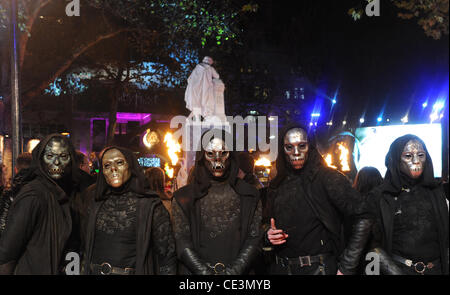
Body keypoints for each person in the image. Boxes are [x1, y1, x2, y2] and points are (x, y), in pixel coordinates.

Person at [265, 124, 373, 275]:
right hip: (281, 267)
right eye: (289, 147)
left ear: (310, 146)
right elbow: (263, 225)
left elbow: (365, 215)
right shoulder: (278, 182)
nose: (296, 153)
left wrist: (347, 266)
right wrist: (269, 234)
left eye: (302, 146)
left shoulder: (327, 178)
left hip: (319, 269)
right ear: (282, 150)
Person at [171, 129, 263, 275]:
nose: (217, 160)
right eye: (210, 154)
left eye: (223, 153)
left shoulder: (250, 194)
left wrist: (233, 273)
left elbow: (254, 238)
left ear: (231, 156)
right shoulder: (184, 197)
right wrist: (205, 273)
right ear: (202, 156)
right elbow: (181, 241)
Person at [0, 134, 91, 274]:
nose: (56, 162)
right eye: (50, 156)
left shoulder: (73, 193)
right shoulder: (33, 195)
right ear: (40, 159)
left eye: (63, 156)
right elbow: (7, 253)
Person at [81, 146, 176, 275]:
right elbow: (85, 250)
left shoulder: (150, 205)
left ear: (130, 166)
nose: (113, 169)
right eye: (107, 165)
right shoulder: (94, 203)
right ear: (102, 172)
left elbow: (166, 255)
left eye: (119, 163)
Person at [367, 134, 449, 275]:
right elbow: (372, 243)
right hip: (399, 269)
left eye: (421, 155)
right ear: (396, 160)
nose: (416, 161)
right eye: (408, 156)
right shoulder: (382, 195)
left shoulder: (436, 192)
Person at [0, 152, 33, 235]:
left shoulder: (10, 194)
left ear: (16, 169)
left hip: (14, 242)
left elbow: (2, 225)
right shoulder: (45, 191)